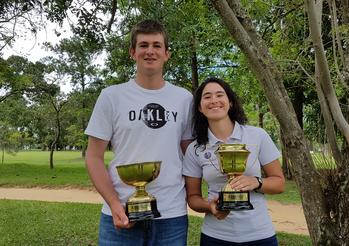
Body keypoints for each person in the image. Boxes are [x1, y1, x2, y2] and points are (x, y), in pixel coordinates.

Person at [84, 19, 193, 246]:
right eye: (143, 45)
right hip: (121, 212)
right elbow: (93, 157)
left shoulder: (184, 99)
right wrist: (114, 204)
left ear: (166, 54)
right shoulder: (111, 96)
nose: (150, 51)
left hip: (170, 215)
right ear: (133, 52)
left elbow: (191, 155)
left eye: (156, 45)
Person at [183, 77, 285, 245]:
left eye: (219, 95)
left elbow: (279, 183)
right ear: (200, 108)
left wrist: (256, 182)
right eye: (207, 97)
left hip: (260, 235)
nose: (214, 100)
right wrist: (210, 207)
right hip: (215, 237)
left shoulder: (257, 136)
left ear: (230, 102)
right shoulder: (195, 149)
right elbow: (193, 197)